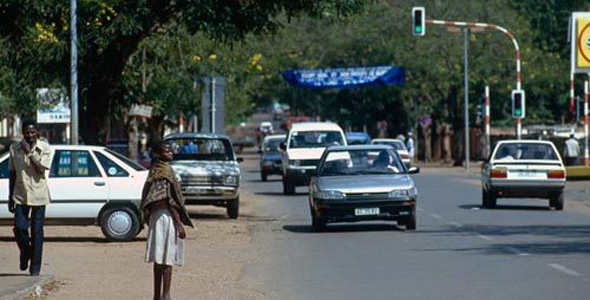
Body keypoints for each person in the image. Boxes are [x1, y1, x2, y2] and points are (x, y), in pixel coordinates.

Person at [140, 141, 193, 300]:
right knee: (167, 258)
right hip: (166, 218)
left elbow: (149, 196)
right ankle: (166, 294)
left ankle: (157, 295)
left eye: (170, 151)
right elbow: (167, 199)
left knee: (159, 259)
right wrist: (179, 224)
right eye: (166, 151)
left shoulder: (154, 171)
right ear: (157, 154)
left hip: (157, 218)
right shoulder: (165, 172)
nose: (170, 153)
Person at [8, 120, 51, 276]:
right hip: (20, 194)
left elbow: (40, 170)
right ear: (23, 133)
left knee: (37, 232)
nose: (30, 135)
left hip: (39, 194)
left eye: (33, 132)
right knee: (19, 228)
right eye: (27, 132)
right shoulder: (14, 148)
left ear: (37, 132)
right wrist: (10, 196)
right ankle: (25, 252)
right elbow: (12, 173)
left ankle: (35, 269)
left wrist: (30, 153)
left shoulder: (44, 148)